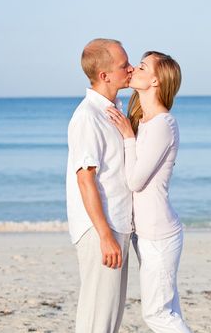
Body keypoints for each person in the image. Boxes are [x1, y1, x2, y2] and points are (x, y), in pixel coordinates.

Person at [107, 51, 192, 332]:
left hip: (159, 234)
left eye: (142, 67)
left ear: (156, 81)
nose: (133, 69)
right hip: (144, 233)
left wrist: (128, 137)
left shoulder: (163, 124)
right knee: (168, 310)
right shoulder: (142, 120)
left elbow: (135, 181)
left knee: (157, 314)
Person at [66, 38, 134, 333]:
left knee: (110, 316)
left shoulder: (113, 109)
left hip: (117, 224)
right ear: (104, 75)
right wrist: (105, 235)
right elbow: (85, 179)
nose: (131, 69)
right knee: (97, 317)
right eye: (124, 65)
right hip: (100, 229)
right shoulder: (87, 116)